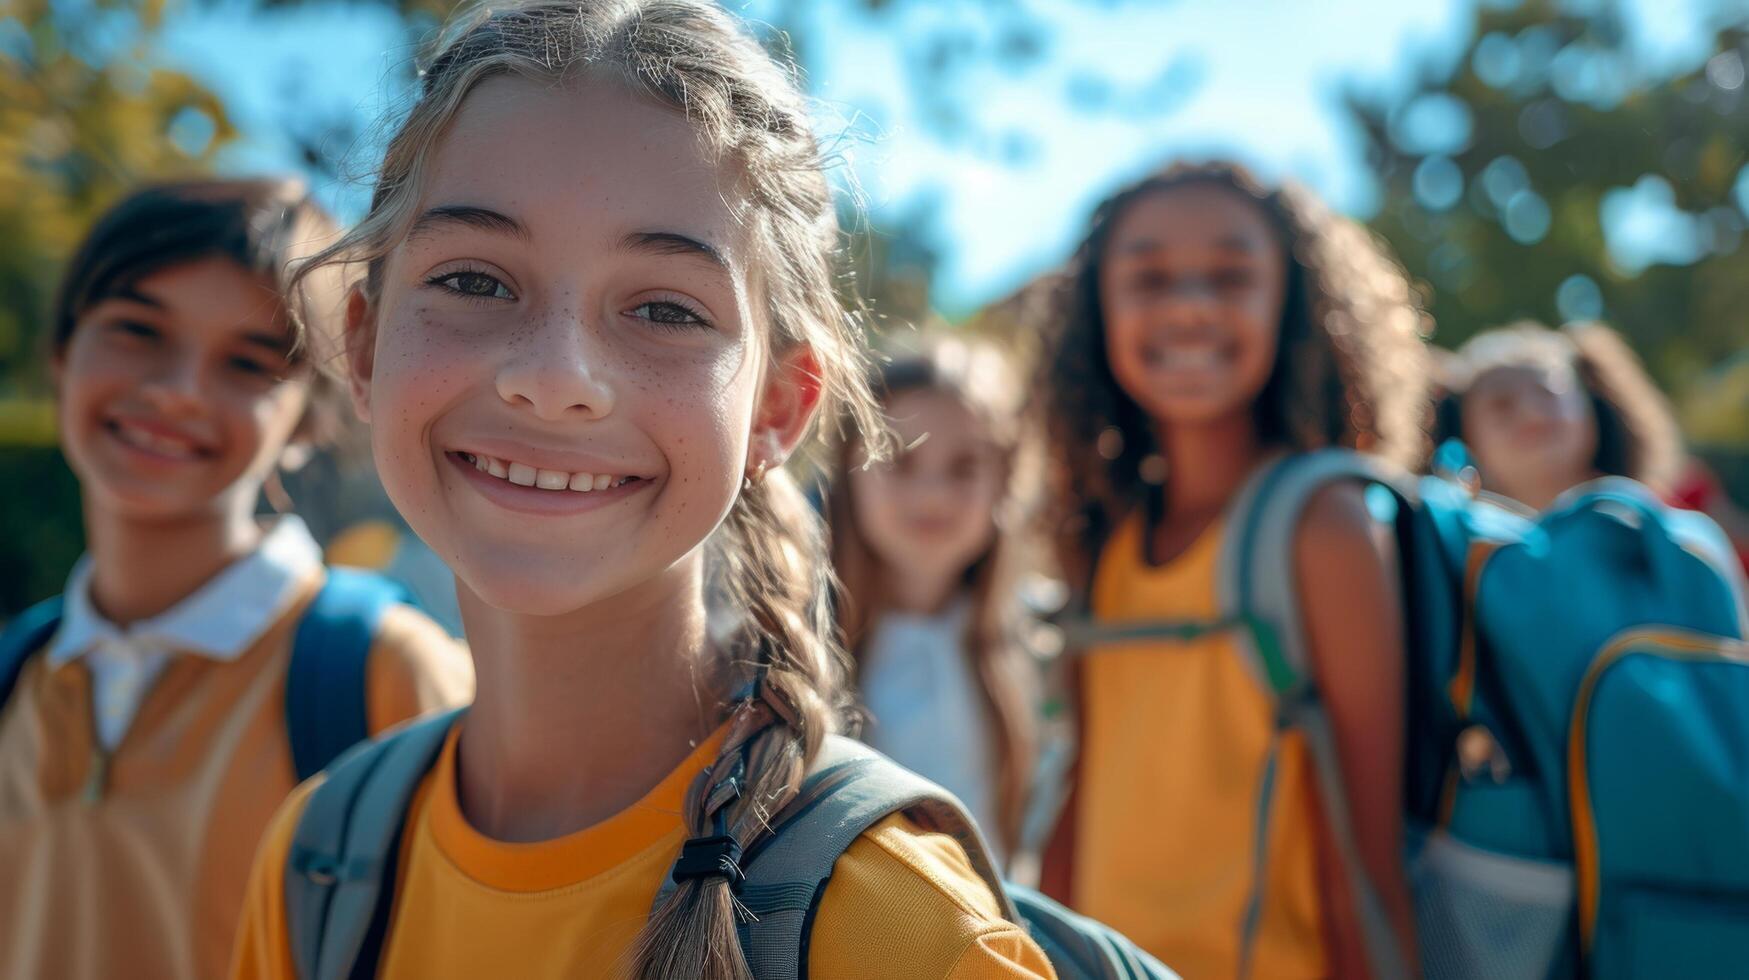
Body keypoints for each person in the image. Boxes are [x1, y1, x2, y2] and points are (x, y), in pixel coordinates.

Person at [228, 3, 1056, 977]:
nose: (555, 374)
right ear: (361, 343)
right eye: (477, 282)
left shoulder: (907, 933)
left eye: (665, 307)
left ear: (777, 410)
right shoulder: (317, 859)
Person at [0, 178, 473, 980]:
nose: (177, 392)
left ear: (313, 420)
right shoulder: (18, 673)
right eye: (137, 330)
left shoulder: (386, 674)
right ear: (61, 348)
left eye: (249, 363)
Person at [1037, 161, 1426, 978]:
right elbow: (1082, 800)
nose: (1187, 303)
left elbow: (1364, 861)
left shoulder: (1324, 526)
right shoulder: (1105, 537)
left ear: (1292, 304)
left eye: (1231, 274)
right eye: (1145, 276)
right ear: (1095, 312)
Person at [825, 341, 1040, 866]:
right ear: (848, 470)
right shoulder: (788, 654)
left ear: (1004, 484)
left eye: (965, 467)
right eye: (899, 459)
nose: (933, 495)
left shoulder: (1035, 647)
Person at [1434, 320, 1685, 513]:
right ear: (1463, 431)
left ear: (1596, 406)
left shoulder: (1663, 538)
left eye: (1548, 392)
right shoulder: (1449, 559)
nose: (1531, 414)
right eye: (1502, 404)